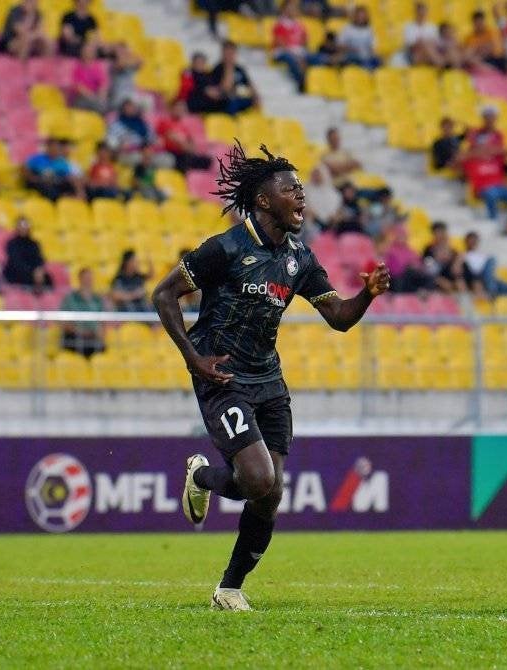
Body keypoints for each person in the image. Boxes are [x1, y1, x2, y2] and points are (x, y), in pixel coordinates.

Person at [151, 141, 390, 611]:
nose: (302, 196)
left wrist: (367, 297)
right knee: (260, 481)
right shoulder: (225, 248)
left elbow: (338, 317)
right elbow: (163, 295)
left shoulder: (300, 259)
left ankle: (229, 587)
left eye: (302, 189)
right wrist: (193, 360)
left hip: (269, 381)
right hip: (221, 376)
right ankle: (204, 480)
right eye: (291, 189)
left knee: (268, 491)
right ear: (264, 200)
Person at [463, 231, 507, 300]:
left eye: (475, 240)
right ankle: (492, 292)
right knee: (491, 260)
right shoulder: (463, 255)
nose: (473, 242)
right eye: (471, 240)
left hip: (489, 278)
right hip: (479, 277)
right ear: (466, 241)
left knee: (501, 284)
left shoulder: (482, 255)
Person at [156, 99, 213, 173]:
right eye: (179, 108)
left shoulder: (183, 125)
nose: (181, 110)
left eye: (183, 109)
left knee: (207, 160)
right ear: (172, 108)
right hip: (171, 153)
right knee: (182, 161)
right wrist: (184, 143)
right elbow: (173, 139)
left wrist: (186, 145)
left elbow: (191, 144)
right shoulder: (165, 121)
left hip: (184, 153)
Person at [60, 267, 106, 358]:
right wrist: (80, 332)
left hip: (93, 338)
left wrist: (99, 334)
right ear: (80, 279)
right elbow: (64, 323)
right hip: (74, 336)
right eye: (86, 278)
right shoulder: (70, 298)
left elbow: (102, 322)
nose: (88, 281)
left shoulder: (97, 299)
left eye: (90, 278)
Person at [3, 217, 53, 290]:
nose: (24, 229)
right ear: (17, 228)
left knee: (48, 278)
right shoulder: (12, 243)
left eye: (26, 226)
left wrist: (39, 270)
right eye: (22, 226)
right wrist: (32, 272)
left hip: (34, 273)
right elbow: (16, 262)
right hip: (17, 273)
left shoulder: (34, 244)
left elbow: (39, 259)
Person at [271, 1, 311, 92]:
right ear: (284, 10)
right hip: (282, 52)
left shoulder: (300, 25)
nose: (292, 10)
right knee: (290, 58)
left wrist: (303, 53)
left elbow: (305, 42)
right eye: (290, 8)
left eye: (294, 8)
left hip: (298, 51)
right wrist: (297, 56)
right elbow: (280, 43)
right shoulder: (280, 24)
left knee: (313, 57)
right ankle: (301, 81)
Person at [215, 41, 260, 115]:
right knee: (232, 102)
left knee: (255, 101)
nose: (230, 56)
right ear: (222, 53)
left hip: (241, 98)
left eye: (232, 53)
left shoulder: (240, 69)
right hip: (227, 102)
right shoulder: (218, 69)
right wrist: (229, 68)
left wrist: (255, 95)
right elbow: (225, 88)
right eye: (227, 53)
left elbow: (249, 84)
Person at [422, 221, 466, 293]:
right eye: (438, 232)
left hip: (451, 276)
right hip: (436, 277)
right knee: (445, 284)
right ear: (433, 234)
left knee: (459, 279)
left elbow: (460, 258)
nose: (442, 235)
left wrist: (457, 262)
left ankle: (463, 297)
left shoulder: (451, 249)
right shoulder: (428, 249)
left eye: (443, 232)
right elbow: (428, 267)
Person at [70, 40, 109, 113]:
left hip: (96, 97)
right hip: (82, 97)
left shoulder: (98, 67)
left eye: (90, 50)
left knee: (102, 105)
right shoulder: (76, 66)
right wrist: (92, 96)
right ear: (81, 52)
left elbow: (103, 84)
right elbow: (78, 86)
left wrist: (101, 97)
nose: (87, 52)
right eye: (85, 50)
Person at [108, 41, 149, 112]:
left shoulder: (130, 63)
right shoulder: (112, 64)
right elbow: (121, 65)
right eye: (120, 50)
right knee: (131, 101)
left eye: (124, 49)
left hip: (131, 93)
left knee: (148, 101)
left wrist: (131, 53)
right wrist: (126, 55)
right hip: (119, 96)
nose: (123, 52)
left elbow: (141, 62)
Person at [403, 2, 442, 67]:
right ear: (416, 13)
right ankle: (440, 63)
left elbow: (436, 43)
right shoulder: (409, 26)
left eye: (424, 12)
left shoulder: (432, 26)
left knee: (428, 46)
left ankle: (439, 63)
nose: (422, 14)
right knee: (425, 46)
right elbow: (410, 45)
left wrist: (424, 42)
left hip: (429, 52)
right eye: (420, 12)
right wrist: (423, 43)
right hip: (414, 52)